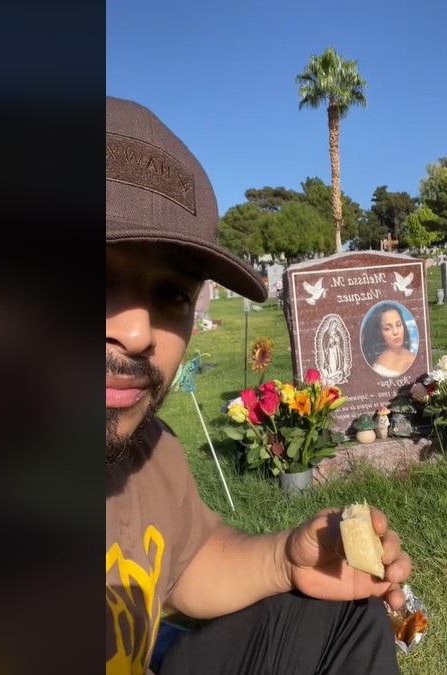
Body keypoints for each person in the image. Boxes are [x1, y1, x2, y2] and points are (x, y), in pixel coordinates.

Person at [106, 97, 411, 675]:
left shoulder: (148, 451)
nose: (139, 330)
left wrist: (282, 559)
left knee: (344, 617)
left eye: (171, 293)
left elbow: (189, 561)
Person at [362, 304, 416, 378]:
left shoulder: (414, 357)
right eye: (387, 328)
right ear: (379, 332)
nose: (396, 332)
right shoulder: (378, 367)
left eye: (398, 325)